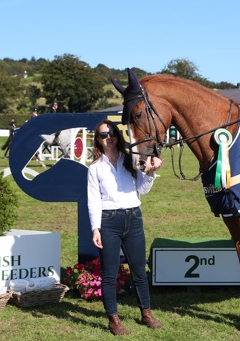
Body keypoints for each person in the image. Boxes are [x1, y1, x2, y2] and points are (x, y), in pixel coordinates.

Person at [87, 119, 164, 335]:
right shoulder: (94, 169)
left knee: (139, 271)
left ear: (117, 135)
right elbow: (93, 201)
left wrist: (150, 172)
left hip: (134, 218)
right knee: (109, 274)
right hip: (109, 222)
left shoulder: (130, 160)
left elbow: (143, 189)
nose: (108, 137)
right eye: (103, 135)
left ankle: (146, 313)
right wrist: (96, 228)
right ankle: (113, 320)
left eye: (111, 133)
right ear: (98, 140)